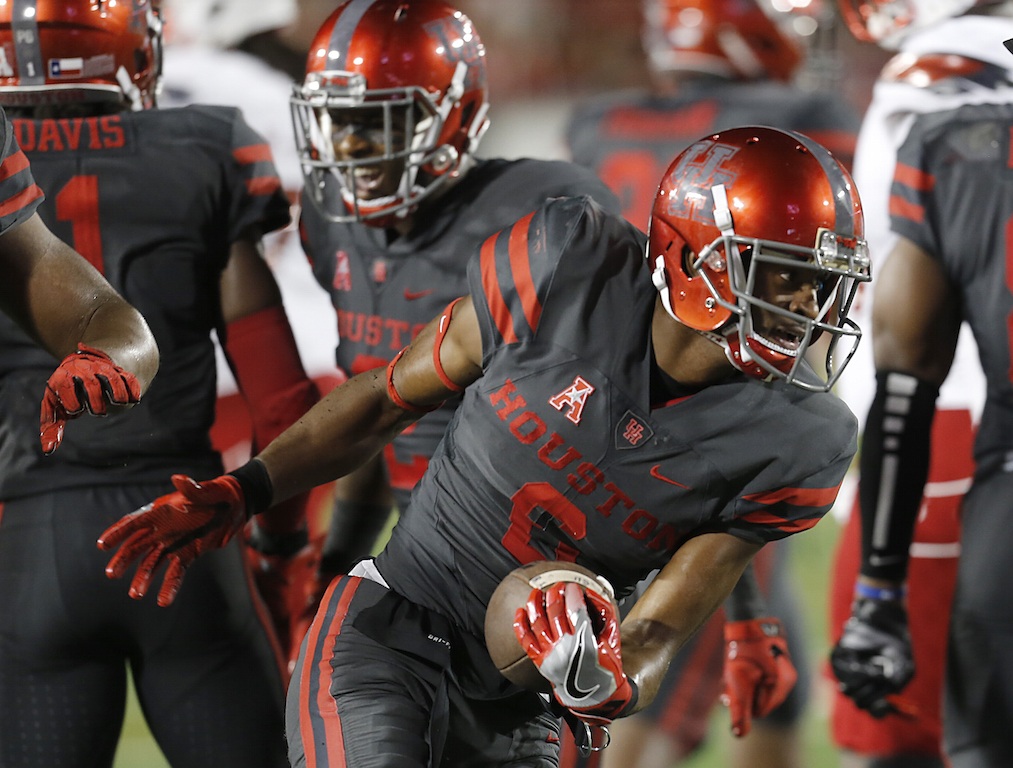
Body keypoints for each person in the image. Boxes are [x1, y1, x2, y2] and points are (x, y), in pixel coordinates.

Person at [97, 119, 871, 767]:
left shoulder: (799, 438)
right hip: (390, 629)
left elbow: (660, 626)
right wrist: (247, 489)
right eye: (780, 276)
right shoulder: (568, 269)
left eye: (821, 283)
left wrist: (605, 682)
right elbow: (382, 402)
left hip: (530, 707)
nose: (807, 306)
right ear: (688, 254)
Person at [0, 1, 319, 766]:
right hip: (185, 530)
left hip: (31, 541)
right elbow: (278, 396)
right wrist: (281, 544)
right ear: (134, 48)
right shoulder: (206, 144)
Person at [565, 1, 862, 765]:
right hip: (722, 413)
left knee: (772, 667)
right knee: (651, 699)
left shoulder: (600, 121)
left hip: (606, 399)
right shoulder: (802, 117)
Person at [827, 3, 1013, 767]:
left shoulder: (940, 96)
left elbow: (911, 347)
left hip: (958, 432)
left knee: (913, 739)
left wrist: (878, 590)